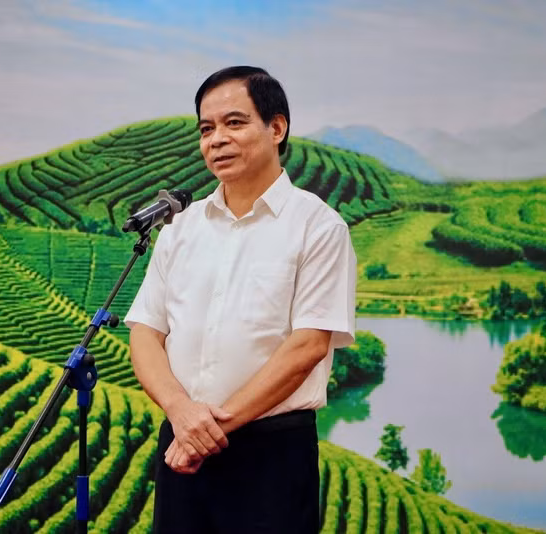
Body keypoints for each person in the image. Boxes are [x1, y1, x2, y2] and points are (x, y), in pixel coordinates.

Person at [124, 66, 356, 534]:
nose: (217, 140)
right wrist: (181, 413)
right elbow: (146, 332)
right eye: (206, 129)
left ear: (276, 127)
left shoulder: (318, 227)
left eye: (234, 123)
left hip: (270, 453)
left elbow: (307, 346)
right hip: (181, 441)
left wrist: (210, 429)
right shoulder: (180, 229)